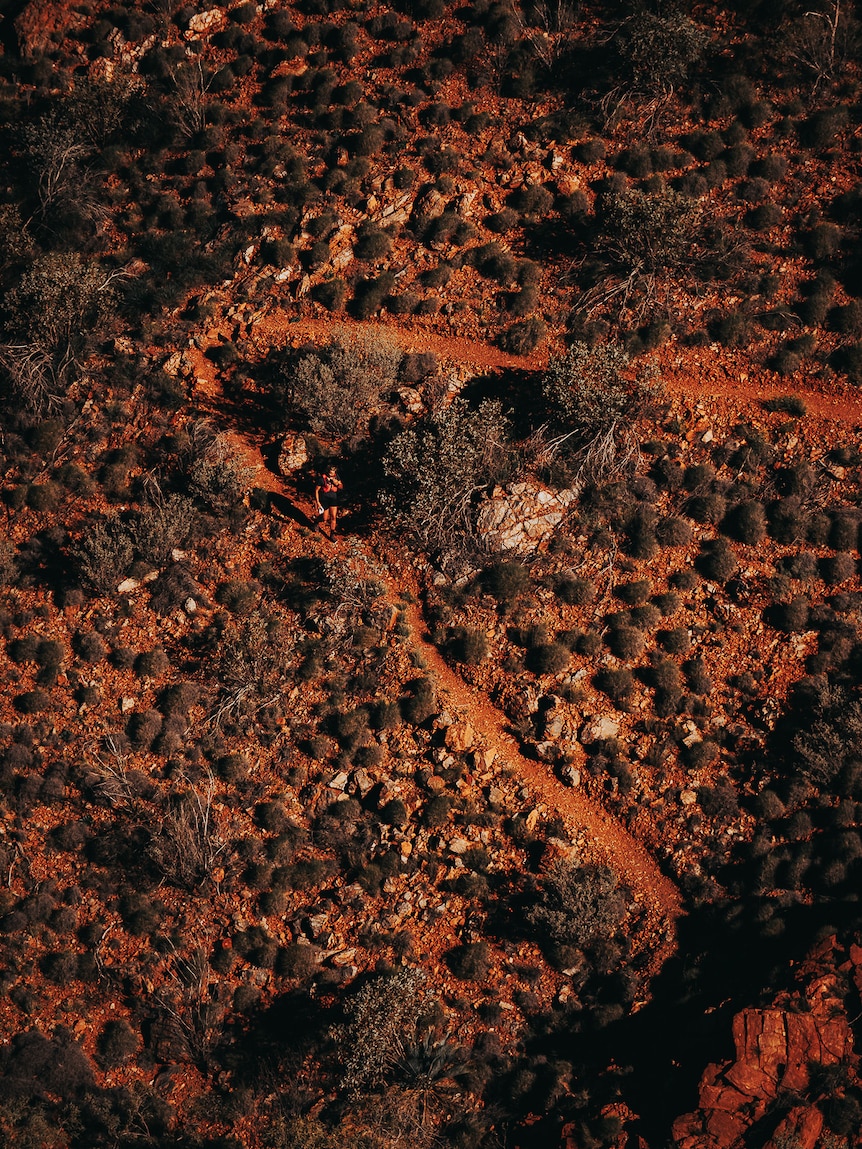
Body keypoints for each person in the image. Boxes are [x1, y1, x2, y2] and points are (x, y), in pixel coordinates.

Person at [314, 465, 343, 536]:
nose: (331, 474)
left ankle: (332, 534)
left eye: (333, 473)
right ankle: (316, 521)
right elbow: (316, 490)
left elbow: (341, 487)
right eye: (330, 473)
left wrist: (337, 483)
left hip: (333, 499)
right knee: (324, 518)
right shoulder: (322, 479)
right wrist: (317, 502)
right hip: (324, 499)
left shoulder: (336, 477)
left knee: (333, 516)